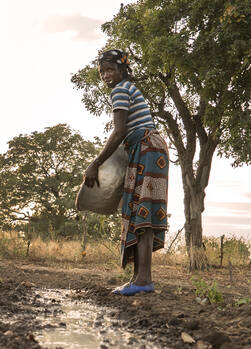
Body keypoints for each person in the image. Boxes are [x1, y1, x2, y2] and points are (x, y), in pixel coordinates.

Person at [83, 49, 169, 296]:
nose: (106, 75)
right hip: (150, 148)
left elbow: (119, 132)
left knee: (142, 212)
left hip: (146, 148)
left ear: (122, 70)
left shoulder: (120, 90)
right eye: (102, 72)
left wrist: (95, 163)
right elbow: (125, 136)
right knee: (140, 212)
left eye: (110, 70)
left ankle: (143, 280)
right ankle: (140, 279)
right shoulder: (129, 88)